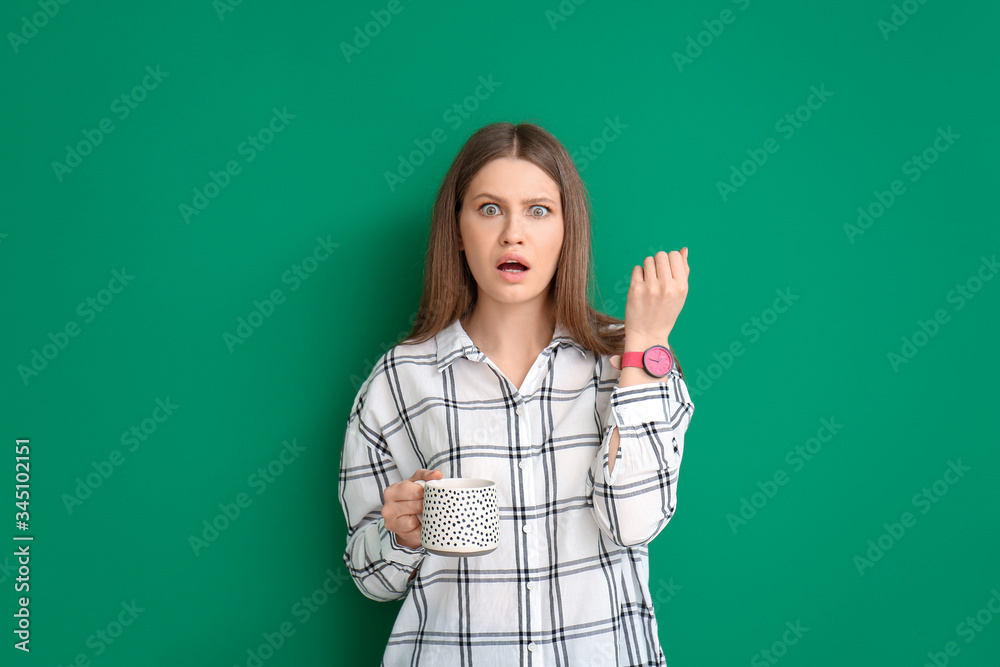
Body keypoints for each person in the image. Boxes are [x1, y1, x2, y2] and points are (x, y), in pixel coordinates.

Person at [339, 121, 694, 666]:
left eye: (538, 210)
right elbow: (370, 577)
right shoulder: (400, 379)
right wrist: (402, 536)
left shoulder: (632, 363)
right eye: (488, 208)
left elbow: (635, 520)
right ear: (457, 229)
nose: (512, 234)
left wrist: (644, 344)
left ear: (566, 230)